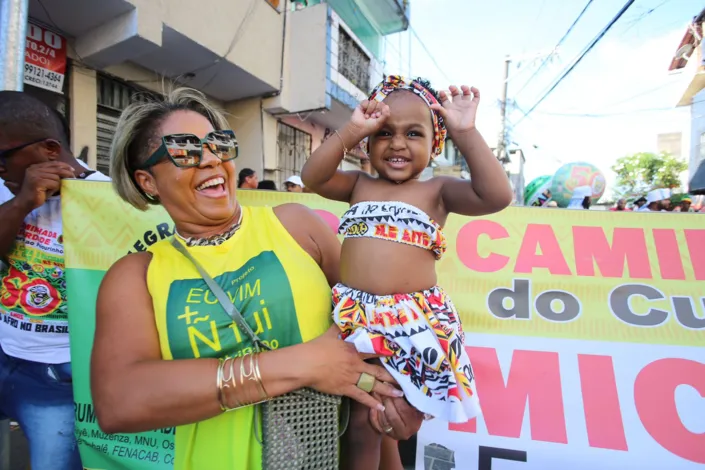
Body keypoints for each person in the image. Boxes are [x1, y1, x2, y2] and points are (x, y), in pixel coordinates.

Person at [92, 87, 421, 470]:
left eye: (219, 145)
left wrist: (399, 411)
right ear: (148, 181)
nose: (212, 160)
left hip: (329, 455)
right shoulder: (136, 275)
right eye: (185, 151)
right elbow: (118, 402)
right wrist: (303, 363)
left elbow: (379, 325)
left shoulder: (296, 227)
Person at [301, 75, 513, 466]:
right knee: (367, 419)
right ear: (367, 143)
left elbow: (497, 195)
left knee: (382, 419)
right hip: (355, 320)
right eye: (384, 133)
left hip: (410, 325)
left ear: (435, 146)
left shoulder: (438, 192)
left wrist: (465, 132)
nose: (397, 143)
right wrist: (351, 128)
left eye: (413, 133)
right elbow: (312, 177)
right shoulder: (357, 184)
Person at [0, 91, 110, 470]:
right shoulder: (11, 191)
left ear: (49, 149)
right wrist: (22, 203)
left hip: (60, 373)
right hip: (5, 349)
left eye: (2, 158)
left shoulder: (110, 200)